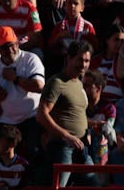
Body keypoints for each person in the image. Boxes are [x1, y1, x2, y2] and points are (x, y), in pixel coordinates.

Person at [38, 41, 93, 187]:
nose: (83, 65)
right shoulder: (57, 82)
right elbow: (41, 114)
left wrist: (91, 126)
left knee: (94, 183)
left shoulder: (79, 83)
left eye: (87, 60)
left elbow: (74, 113)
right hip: (63, 147)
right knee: (58, 186)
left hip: (82, 147)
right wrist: (66, 135)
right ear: (68, 58)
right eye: (80, 59)